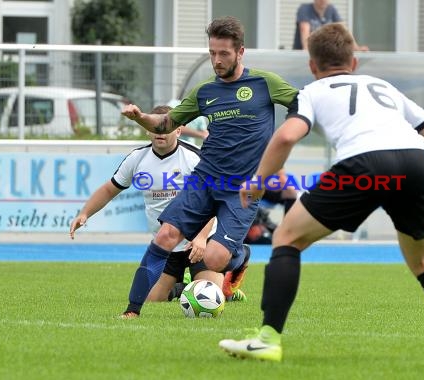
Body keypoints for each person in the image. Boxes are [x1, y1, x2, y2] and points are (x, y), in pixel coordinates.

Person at [219, 23, 424, 365]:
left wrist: (257, 181)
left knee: (286, 237)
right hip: (415, 161)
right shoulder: (384, 86)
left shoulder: (313, 91)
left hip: (363, 164)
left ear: (312, 66)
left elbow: (286, 137)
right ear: (354, 62)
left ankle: (267, 340)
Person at [121, 17, 299, 308]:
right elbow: (166, 123)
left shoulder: (265, 83)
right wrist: (141, 117)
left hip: (242, 188)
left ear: (240, 52)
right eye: (212, 53)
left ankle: (239, 256)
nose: (216, 60)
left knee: (214, 258)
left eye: (224, 54)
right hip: (204, 179)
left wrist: (286, 137)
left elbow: (302, 106)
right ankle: (132, 310)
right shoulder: (205, 92)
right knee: (166, 234)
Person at [69, 105, 243, 319]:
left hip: (200, 241)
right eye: (156, 127)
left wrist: (201, 237)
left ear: (178, 130)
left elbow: (214, 202)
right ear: (147, 129)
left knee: (210, 296)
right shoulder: (137, 159)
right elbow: (109, 189)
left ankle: (236, 263)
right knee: (153, 299)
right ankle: (183, 286)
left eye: (167, 127)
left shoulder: (194, 158)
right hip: (167, 243)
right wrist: (85, 213)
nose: (161, 132)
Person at [293, 0, 369, 51]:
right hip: (303, 54)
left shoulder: (331, 9)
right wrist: (306, 49)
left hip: (320, 55)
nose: (323, 1)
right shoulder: (305, 9)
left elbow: (344, 29)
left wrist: (356, 48)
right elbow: (304, 30)